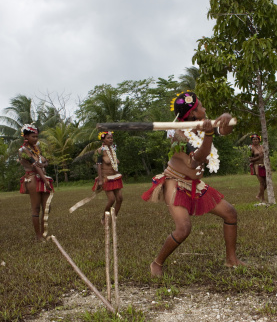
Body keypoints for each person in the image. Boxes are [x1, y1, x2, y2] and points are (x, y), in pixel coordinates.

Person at [141, 91, 244, 277]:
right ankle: (157, 263)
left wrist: (226, 118)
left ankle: (231, 260)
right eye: (202, 107)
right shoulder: (179, 135)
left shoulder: (202, 126)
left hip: (195, 183)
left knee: (230, 213)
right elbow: (197, 160)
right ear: (194, 114)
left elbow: (226, 129)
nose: (205, 109)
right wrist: (209, 133)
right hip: (175, 183)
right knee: (183, 229)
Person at [18, 123, 54, 241]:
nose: (36, 139)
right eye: (33, 136)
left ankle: (44, 233)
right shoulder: (23, 150)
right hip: (33, 179)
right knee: (36, 208)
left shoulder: (37, 148)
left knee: (47, 207)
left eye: (37, 136)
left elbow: (45, 162)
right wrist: (46, 180)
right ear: (26, 137)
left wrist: (43, 164)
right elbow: (35, 166)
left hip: (42, 177)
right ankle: (38, 236)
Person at [94, 131, 123, 223]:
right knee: (112, 199)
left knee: (120, 198)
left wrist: (117, 171)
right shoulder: (100, 150)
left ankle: (114, 217)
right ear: (103, 139)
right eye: (108, 138)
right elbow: (98, 165)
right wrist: (100, 179)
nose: (110, 139)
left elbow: (115, 163)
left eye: (111, 138)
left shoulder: (113, 149)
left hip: (115, 177)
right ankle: (104, 217)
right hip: (106, 178)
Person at [249, 134, 266, 203]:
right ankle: (263, 199)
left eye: (256, 139)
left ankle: (259, 195)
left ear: (259, 140)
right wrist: (258, 157)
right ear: (252, 141)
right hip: (257, 166)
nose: (255, 141)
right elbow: (250, 159)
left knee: (266, 183)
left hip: (264, 165)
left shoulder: (262, 147)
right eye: (253, 139)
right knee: (262, 182)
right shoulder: (251, 148)